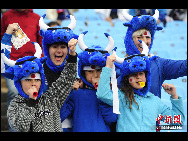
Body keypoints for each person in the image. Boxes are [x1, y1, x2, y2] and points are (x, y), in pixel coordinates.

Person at [2, 38, 77, 132]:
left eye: (37, 80)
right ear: (20, 82)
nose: (33, 84)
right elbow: (21, 127)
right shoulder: (15, 104)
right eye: (28, 80)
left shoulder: (51, 98)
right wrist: (31, 102)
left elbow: (67, 79)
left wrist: (72, 54)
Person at [96, 54, 185, 132]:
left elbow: (177, 121)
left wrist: (174, 96)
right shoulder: (121, 96)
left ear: (146, 77)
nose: (138, 77)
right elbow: (102, 94)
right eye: (134, 74)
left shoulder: (155, 100)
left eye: (141, 73)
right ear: (128, 79)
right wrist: (107, 67)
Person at [119, 9, 187, 98]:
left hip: (153, 111)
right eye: (139, 37)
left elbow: (183, 67)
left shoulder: (158, 63)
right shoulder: (119, 65)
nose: (144, 41)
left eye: (148, 37)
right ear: (130, 40)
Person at [60, 31, 117, 132]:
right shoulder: (76, 93)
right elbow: (61, 116)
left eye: (99, 71)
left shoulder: (111, 92)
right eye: (90, 71)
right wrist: (66, 92)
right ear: (83, 73)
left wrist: (102, 94)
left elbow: (112, 119)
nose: (95, 75)